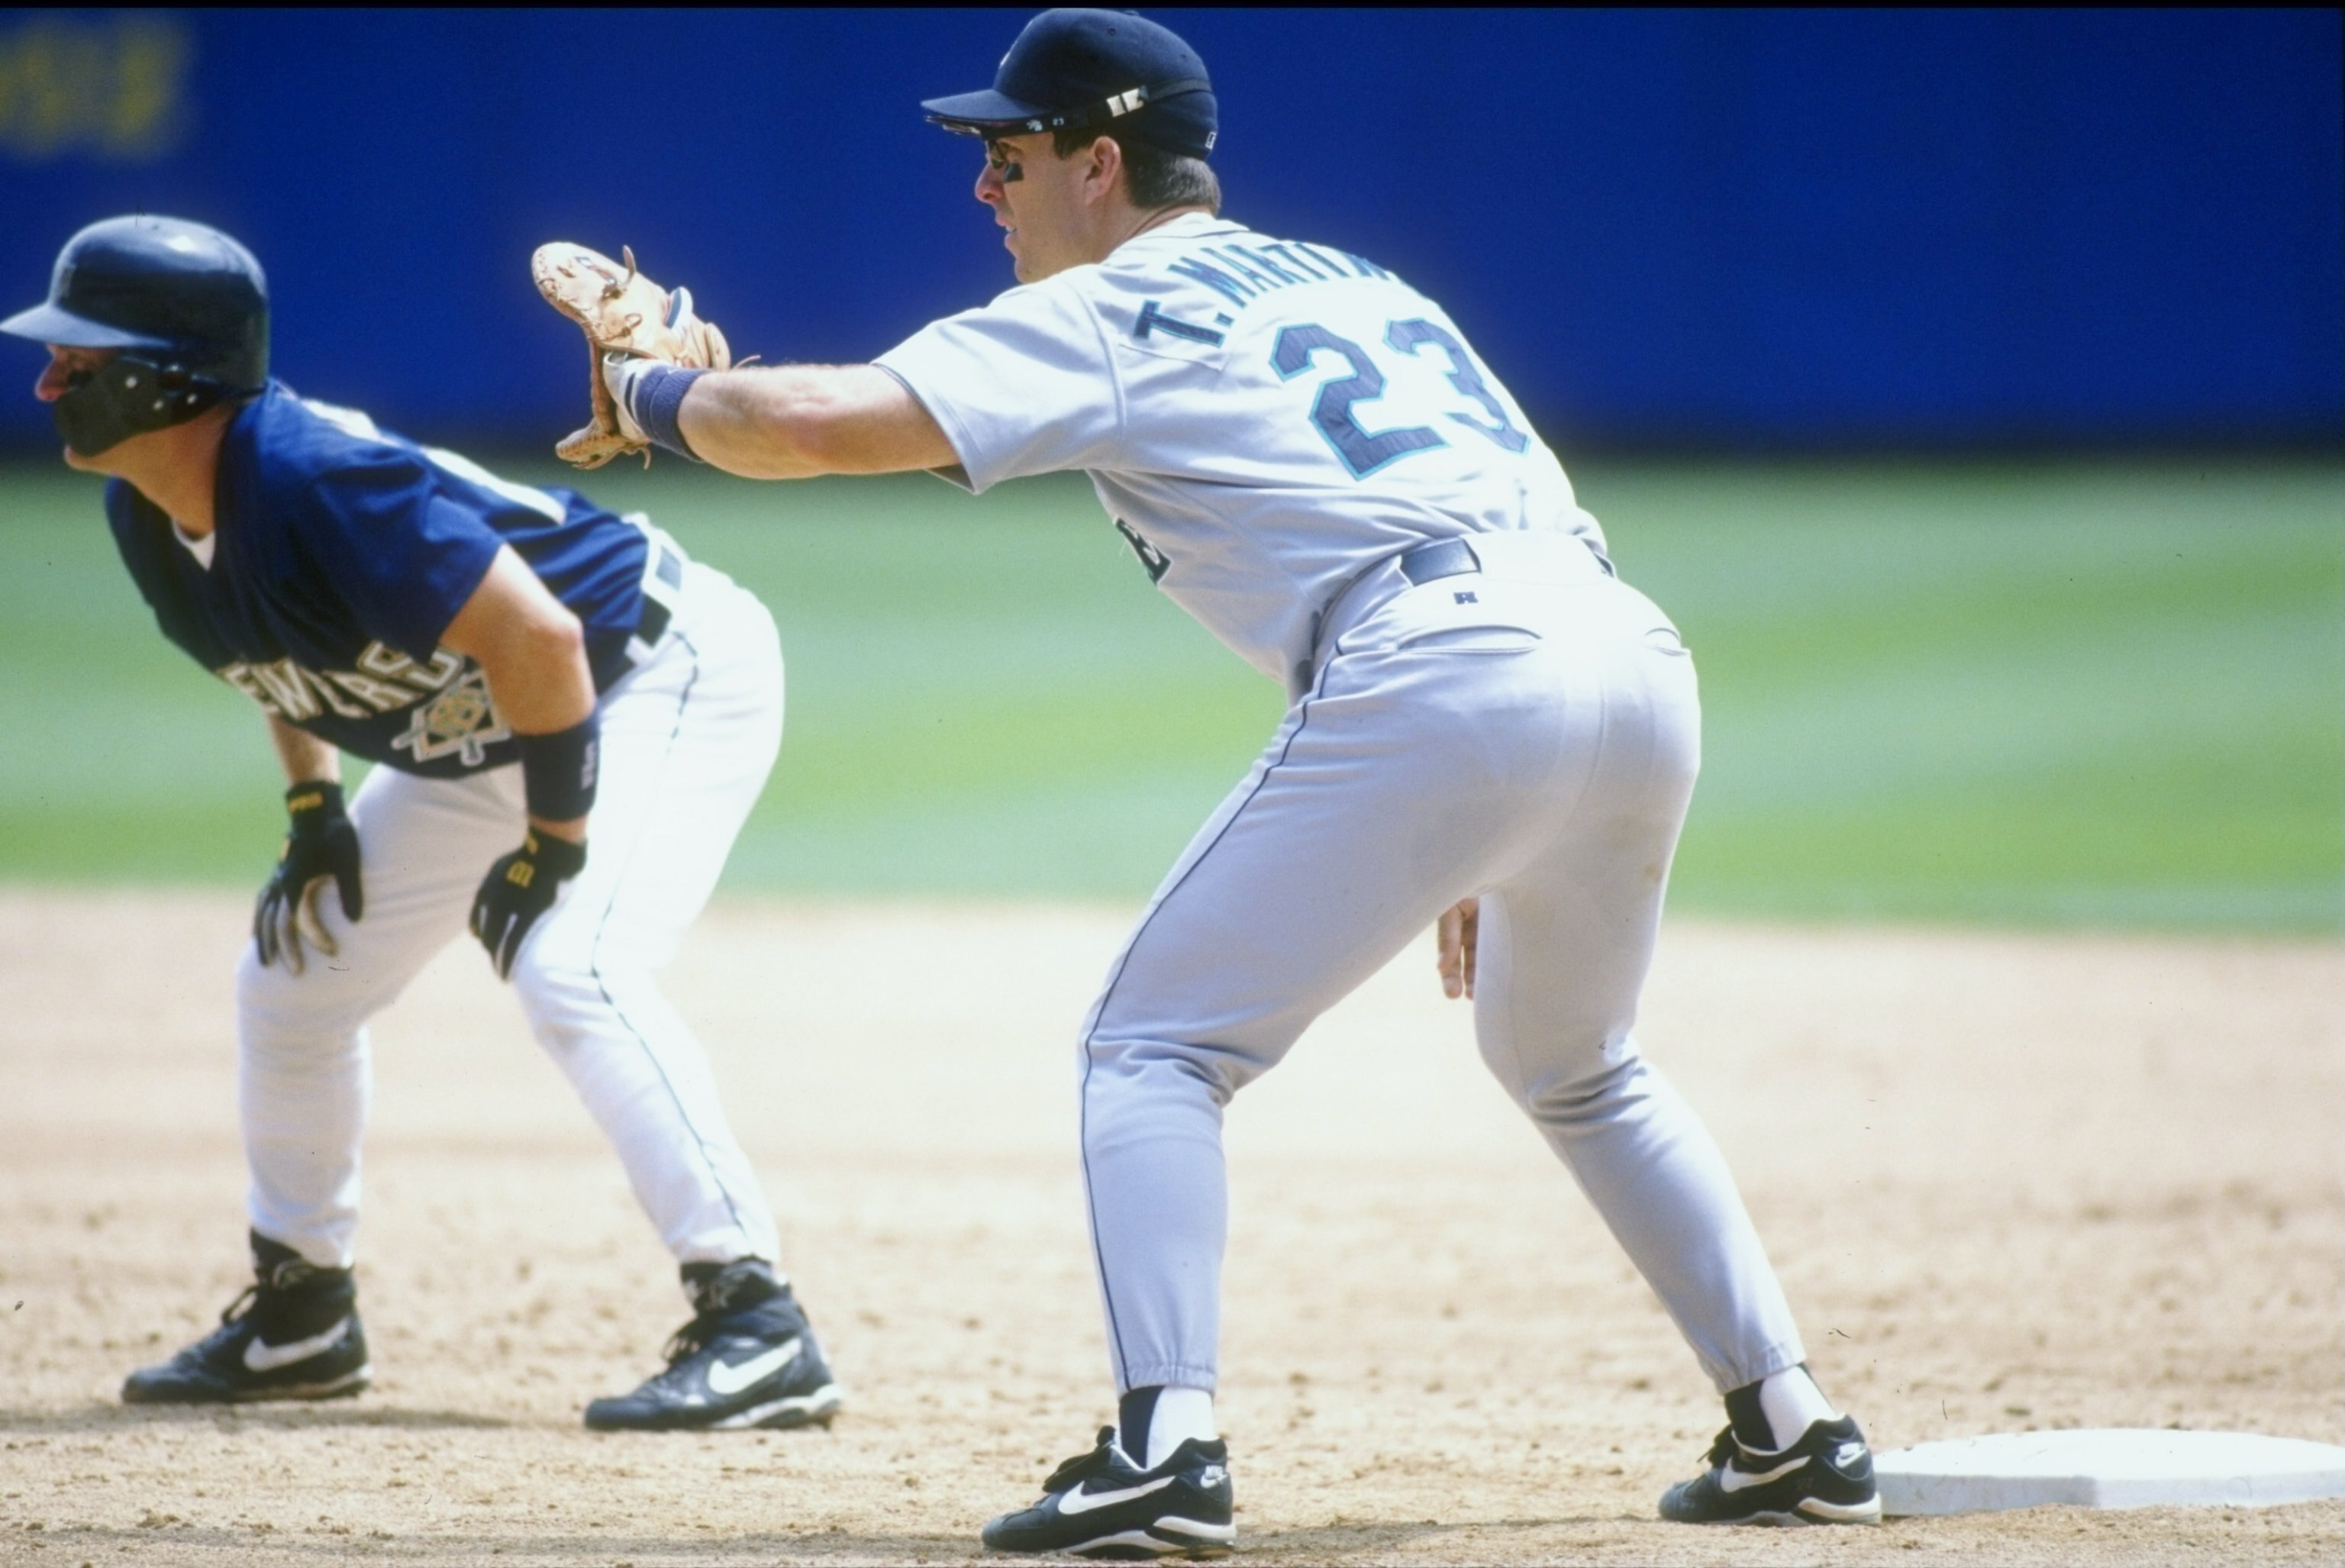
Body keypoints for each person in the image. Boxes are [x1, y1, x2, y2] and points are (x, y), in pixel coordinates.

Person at [571, 7, 1880, 1546]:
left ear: (1098, 161)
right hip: (1626, 651)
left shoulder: (1120, 301)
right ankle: (1793, 1424)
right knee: (1578, 1061)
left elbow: (803, 421)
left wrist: (651, 389)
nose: (984, 190)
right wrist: (1483, 825)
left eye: (1008, 154)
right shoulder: (1360, 278)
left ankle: (1164, 1447)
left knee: (1152, 1047)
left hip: (1451, 664)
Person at [2, 215, 842, 1434]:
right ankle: (302, 1315)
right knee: (294, 974)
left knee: (575, 964)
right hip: (498, 719)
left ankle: (758, 1320)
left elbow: (543, 637)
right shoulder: (152, 507)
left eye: (77, 360)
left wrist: (551, 842)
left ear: (165, 373)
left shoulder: (312, 481)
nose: (44, 381)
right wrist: (310, 809)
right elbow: (267, 656)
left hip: (646, 675)